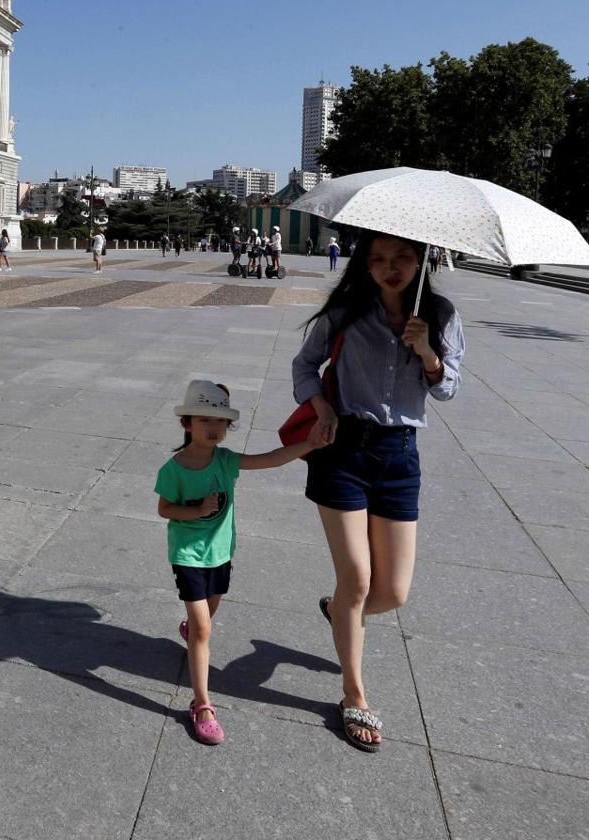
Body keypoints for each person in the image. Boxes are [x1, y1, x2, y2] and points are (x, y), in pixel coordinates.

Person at [291, 229, 465, 753]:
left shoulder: (440, 314)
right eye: (380, 259)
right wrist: (320, 406)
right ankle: (354, 694)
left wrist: (427, 352)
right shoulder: (345, 311)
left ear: (423, 261)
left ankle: (341, 609)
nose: (391, 268)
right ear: (364, 264)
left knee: (393, 593)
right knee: (360, 580)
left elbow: (450, 386)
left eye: (403, 259)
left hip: (399, 456)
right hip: (342, 448)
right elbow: (304, 366)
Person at [156, 380, 326, 745]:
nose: (214, 428)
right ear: (187, 424)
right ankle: (201, 703)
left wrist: (308, 445)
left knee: (210, 611)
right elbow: (163, 509)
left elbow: (267, 459)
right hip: (187, 554)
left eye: (221, 422)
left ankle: (193, 630)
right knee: (204, 628)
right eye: (205, 420)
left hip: (220, 552)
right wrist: (197, 510)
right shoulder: (174, 469)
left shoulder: (227, 461)